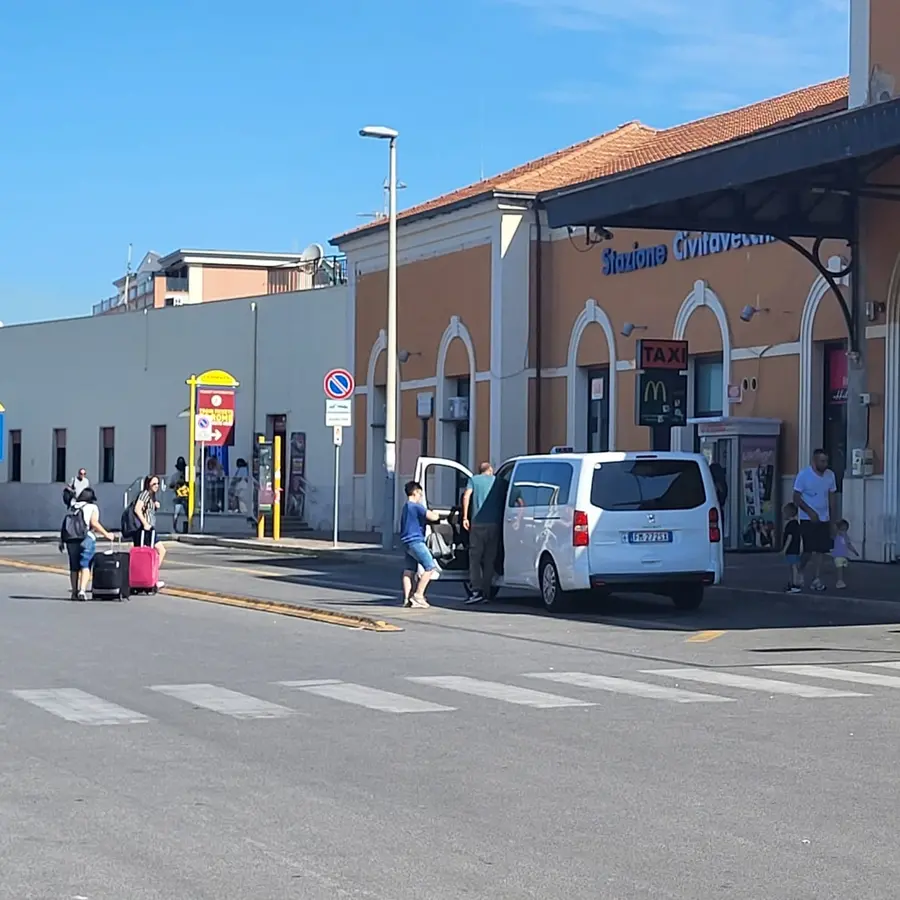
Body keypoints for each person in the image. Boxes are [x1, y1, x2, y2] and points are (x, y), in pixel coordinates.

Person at [792, 448, 838, 592]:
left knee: (821, 550)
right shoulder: (804, 475)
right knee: (808, 549)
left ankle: (816, 579)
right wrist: (810, 512)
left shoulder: (830, 476)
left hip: (824, 518)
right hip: (807, 519)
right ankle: (799, 569)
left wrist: (833, 522)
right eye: (822, 461)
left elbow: (832, 499)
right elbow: (796, 498)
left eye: (826, 461)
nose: (824, 464)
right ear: (814, 461)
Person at [58, 487, 114, 600]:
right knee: (85, 564)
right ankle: (82, 591)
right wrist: (107, 534)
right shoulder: (92, 507)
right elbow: (94, 523)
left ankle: (74, 592)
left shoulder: (73, 507)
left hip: (71, 539)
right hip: (86, 538)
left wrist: (62, 540)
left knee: (74, 567)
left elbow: (67, 525)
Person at [461, 462, 504, 604]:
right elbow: (517, 499)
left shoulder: (473, 480)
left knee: (475, 558)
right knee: (489, 559)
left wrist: (465, 517)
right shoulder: (498, 481)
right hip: (495, 524)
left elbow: (466, 496)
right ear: (490, 470)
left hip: (477, 524)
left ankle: (476, 590)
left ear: (480, 471)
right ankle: (486, 592)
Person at [399, 480, 441, 609]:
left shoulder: (406, 507)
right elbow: (432, 517)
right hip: (416, 541)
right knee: (430, 567)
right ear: (415, 492)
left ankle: (407, 598)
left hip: (406, 542)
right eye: (420, 494)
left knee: (409, 570)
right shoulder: (416, 506)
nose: (421, 497)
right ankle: (418, 595)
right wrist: (437, 514)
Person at [134, 474, 166, 587]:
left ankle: (151, 576)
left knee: (159, 551)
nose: (156, 486)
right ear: (148, 484)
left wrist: (154, 506)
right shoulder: (145, 494)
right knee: (147, 554)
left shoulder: (152, 496)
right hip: (145, 530)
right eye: (154, 484)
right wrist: (145, 523)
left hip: (150, 529)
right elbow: (137, 509)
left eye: (158, 483)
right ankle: (148, 578)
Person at [831, 519, 860, 589]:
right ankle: (839, 581)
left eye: (846, 527)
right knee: (839, 568)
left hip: (844, 555)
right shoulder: (837, 534)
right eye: (843, 527)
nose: (844, 529)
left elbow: (848, 545)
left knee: (844, 568)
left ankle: (841, 580)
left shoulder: (845, 536)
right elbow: (834, 530)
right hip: (838, 555)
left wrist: (855, 551)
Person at [781, 502, 802, 594]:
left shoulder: (790, 525)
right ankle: (793, 583)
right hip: (796, 549)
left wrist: (784, 549)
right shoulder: (796, 524)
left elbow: (789, 537)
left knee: (793, 567)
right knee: (794, 566)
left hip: (791, 550)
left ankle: (795, 584)